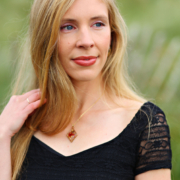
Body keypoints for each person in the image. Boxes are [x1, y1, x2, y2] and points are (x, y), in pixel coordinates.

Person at [0, 0, 172, 179]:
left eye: (98, 24)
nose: (86, 41)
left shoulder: (146, 124)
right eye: (68, 27)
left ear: (112, 35)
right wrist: (2, 134)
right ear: (45, 38)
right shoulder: (18, 125)